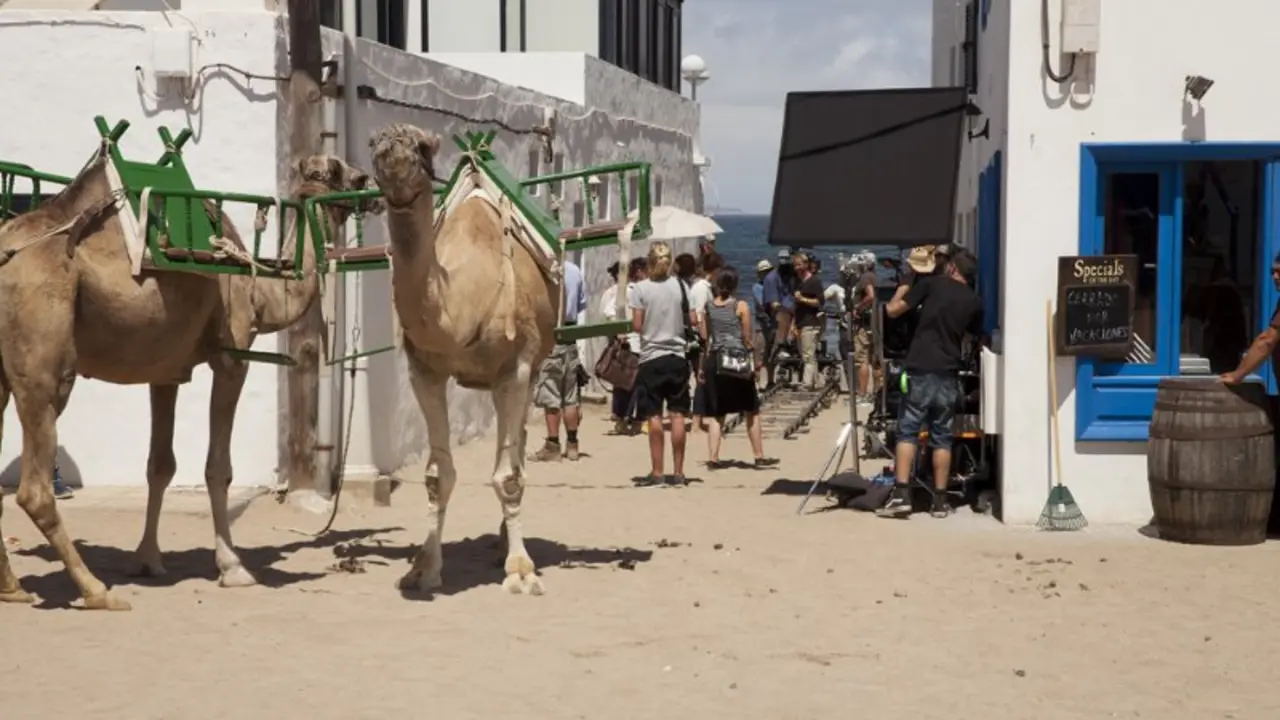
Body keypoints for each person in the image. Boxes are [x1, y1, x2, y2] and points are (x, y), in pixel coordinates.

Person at [877, 248, 983, 519]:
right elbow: (977, 337)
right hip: (949, 371)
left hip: (921, 367)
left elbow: (892, 311)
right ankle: (939, 501)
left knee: (908, 430)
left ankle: (902, 494)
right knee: (942, 437)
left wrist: (904, 285)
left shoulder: (931, 284)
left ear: (952, 269)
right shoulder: (973, 300)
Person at [630, 241, 695, 486]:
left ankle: (658, 471)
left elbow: (637, 325)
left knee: (654, 416)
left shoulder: (640, 288)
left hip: (651, 356)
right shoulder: (681, 286)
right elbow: (691, 319)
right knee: (678, 415)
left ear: (649, 261)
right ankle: (678, 472)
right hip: (677, 355)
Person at [700, 267, 778, 470]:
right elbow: (747, 338)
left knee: (718, 413)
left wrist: (702, 366)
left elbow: (705, 337)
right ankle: (758, 455)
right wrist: (755, 361)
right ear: (735, 285)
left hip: (716, 359)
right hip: (736, 360)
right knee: (752, 410)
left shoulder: (708, 306)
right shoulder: (740, 305)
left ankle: (713, 457)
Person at [531, 258, 588, 462]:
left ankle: (553, 444)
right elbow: (581, 305)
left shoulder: (543, 269)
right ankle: (572, 445)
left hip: (551, 334)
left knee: (551, 395)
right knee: (571, 395)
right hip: (570, 336)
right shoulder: (574, 270)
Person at [601, 258, 647, 435]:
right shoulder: (628, 291)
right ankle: (626, 419)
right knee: (628, 384)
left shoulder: (633, 291)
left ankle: (632, 420)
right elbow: (609, 311)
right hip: (632, 344)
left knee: (632, 384)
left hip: (638, 343)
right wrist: (621, 332)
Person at [688, 252, 723, 430]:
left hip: (701, 338)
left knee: (702, 378)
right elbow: (700, 314)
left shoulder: (703, 286)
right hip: (701, 340)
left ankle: (698, 419)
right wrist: (706, 341)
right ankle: (696, 422)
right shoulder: (702, 288)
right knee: (702, 378)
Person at [792, 252, 826, 390]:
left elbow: (820, 302)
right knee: (807, 353)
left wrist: (803, 299)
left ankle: (807, 384)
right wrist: (793, 324)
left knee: (808, 355)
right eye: (795, 265)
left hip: (811, 323)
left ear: (806, 265)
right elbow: (796, 307)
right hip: (801, 322)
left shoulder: (814, 281)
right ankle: (816, 382)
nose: (797, 268)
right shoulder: (799, 282)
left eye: (799, 265)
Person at [761, 249, 796, 379]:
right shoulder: (771, 278)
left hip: (793, 315)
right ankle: (769, 379)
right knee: (771, 352)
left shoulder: (792, 276)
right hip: (776, 319)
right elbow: (773, 304)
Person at [852, 254, 880, 401]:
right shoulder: (875, 276)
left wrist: (858, 307)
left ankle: (862, 393)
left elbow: (871, 295)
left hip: (864, 324)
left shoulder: (865, 278)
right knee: (876, 359)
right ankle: (877, 393)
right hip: (876, 323)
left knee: (862, 359)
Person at [752, 259, 776, 387]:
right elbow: (764, 304)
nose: (766, 274)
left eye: (768, 272)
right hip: (761, 327)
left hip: (772, 326)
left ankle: (771, 381)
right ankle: (757, 382)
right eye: (763, 272)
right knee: (759, 354)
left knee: (771, 354)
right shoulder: (757, 287)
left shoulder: (774, 286)